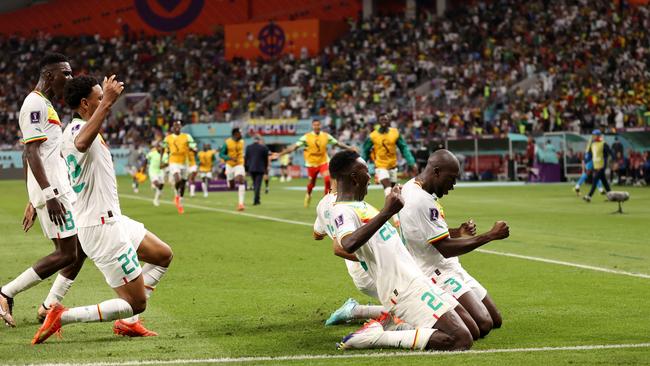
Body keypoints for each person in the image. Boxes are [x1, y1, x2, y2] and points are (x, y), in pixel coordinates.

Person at [34, 75, 173, 343]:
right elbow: (82, 143)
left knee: (163, 255)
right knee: (137, 303)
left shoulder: (83, 128)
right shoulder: (76, 131)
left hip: (112, 219)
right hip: (101, 227)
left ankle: (128, 323)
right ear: (85, 103)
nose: (103, 102)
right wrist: (108, 102)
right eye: (98, 98)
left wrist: (104, 103)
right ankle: (62, 315)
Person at [328, 150, 474, 351]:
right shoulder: (341, 210)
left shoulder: (361, 205)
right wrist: (387, 211)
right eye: (365, 171)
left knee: (472, 328)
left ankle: (395, 326)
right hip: (401, 287)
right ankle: (376, 338)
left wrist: (389, 210)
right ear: (354, 177)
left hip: (415, 276)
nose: (370, 175)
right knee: (460, 340)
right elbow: (348, 243)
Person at [0, 53, 84, 328]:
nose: (70, 79)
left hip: (55, 189)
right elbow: (31, 152)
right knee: (67, 253)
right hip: (54, 192)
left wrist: (31, 197)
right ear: (50, 75)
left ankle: (49, 306)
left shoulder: (44, 104)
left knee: (76, 249)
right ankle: (6, 293)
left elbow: (33, 154)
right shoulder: (34, 104)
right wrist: (47, 196)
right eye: (66, 73)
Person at [399, 149, 509, 338]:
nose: (454, 184)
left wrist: (458, 232)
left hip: (449, 267)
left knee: (495, 320)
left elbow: (426, 232)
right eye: (451, 178)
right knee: (483, 325)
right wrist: (490, 235)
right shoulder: (421, 200)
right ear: (436, 172)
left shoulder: (413, 187)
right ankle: (404, 320)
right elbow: (445, 249)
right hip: (435, 272)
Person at [313, 180, 387, 326]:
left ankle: (354, 310)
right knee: (413, 310)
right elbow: (339, 248)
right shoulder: (339, 204)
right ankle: (354, 311)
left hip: (363, 274)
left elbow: (317, 234)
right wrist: (376, 259)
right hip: (371, 272)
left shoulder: (324, 202)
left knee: (411, 306)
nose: (368, 179)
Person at [273, 119, 355, 207]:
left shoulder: (326, 136)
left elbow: (337, 143)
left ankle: (326, 201)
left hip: (323, 161)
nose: (316, 127)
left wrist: (349, 148)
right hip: (311, 163)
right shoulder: (306, 137)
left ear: (320, 126)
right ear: (312, 126)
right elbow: (293, 147)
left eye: (318, 125)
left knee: (328, 179)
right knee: (311, 184)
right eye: (315, 125)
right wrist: (281, 154)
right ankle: (308, 194)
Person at [362, 113, 418, 196]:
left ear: (389, 121)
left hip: (393, 166)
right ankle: (390, 207)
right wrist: (362, 165)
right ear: (378, 121)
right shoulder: (373, 136)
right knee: (388, 188)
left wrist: (411, 162)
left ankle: (393, 208)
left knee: (393, 192)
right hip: (380, 166)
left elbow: (404, 148)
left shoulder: (395, 133)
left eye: (385, 119)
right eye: (381, 119)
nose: (383, 121)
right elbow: (365, 151)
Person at [163, 121, 196, 214]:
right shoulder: (168, 138)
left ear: (181, 127)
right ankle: (177, 196)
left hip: (184, 162)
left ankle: (179, 200)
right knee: (178, 179)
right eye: (175, 126)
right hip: (173, 161)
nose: (177, 127)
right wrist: (165, 159)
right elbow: (165, 149)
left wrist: (194, 148)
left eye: (178, 125)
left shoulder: (187, 136)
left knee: (183, 183)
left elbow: (193, 145)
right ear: (173, 127)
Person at [220, 128, 246, 211]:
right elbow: (221, 154)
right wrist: (229, 157)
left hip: (239, 164)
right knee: (231, 186)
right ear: (235, 134)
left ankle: (241, 204)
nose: (241, 134)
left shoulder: (242, 142)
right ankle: (229, 181)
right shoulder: (227, 142)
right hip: (230, 165)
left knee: (241, 179)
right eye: (240, 133)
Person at [583, 130, 613, 202]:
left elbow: (610, 152)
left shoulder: (604, 144)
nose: (593, 137)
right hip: (595, 165)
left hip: (601, 165)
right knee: (604, 181)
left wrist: (613, 161)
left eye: (594, 135)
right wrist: (587, 163)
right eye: (592, 135)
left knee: (595, 180)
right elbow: (590, 155)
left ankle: (589, 196)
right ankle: (611, 196)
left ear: (598, 135)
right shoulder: (592, 144)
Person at [245, 135, 269, 206]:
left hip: (251, 168)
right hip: (260, 168)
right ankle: (256, 200)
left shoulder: (248, 148)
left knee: (255, 184)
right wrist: (265, 168)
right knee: (258, 184)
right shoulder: (263, 148)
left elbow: (246, 158)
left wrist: (246, 168)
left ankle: (257, 199)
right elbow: (266, 160)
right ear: (259, 140)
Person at [145, 142, 166, 206]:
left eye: (160, 147)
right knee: (158, 184)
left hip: (160, 171)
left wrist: (163, 166)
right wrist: (144, 167)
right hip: (153, 171)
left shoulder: (165, 155)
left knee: (161, 185)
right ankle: (156, 199)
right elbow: (146, 158)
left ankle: (156, 196)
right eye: (158, 147)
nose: (159, 148)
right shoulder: (153, 153)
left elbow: (166, 163)